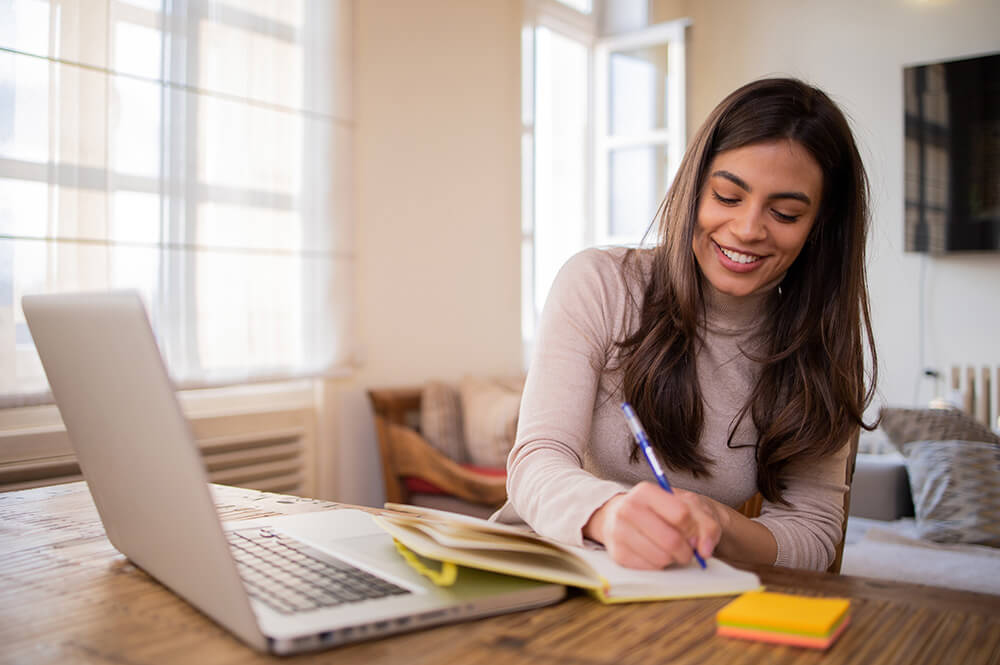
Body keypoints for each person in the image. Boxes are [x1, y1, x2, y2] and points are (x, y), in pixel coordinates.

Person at [492, 78, 878, 572]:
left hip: (679, 594)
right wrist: (609, 515)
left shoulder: (819, 347)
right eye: (727, 196)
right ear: (693, 188)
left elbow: (815, 534)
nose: (747, 229)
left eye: (784, 212)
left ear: (819, 227)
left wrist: (718, 524)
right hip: (546, 566)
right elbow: (536, 462)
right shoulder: (600, 283)